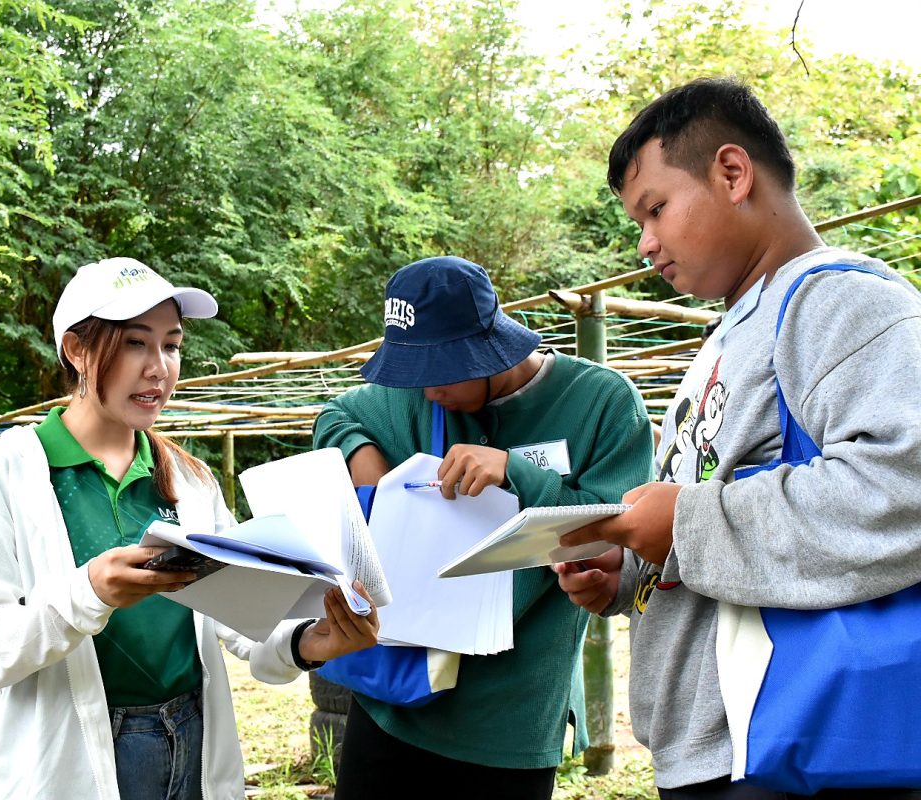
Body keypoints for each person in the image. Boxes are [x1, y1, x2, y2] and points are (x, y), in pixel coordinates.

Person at [555, 77, 921, 799]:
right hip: (716, 744)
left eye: (655, 208)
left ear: (731, 172)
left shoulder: (842, 301)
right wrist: (627, 567)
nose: (645, 241)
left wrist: (685, 525)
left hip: (798, 742)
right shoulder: (734, 332)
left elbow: (900, 485)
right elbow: (709, 517)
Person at [0, 257, 379, 800]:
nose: (159, 368)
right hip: (77, 759)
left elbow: (238, 622)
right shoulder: (9, 473)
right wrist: (86, 594)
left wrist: (311, 641)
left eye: (171, 345)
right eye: (135, 343)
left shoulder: (190, 481)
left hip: (191, 737)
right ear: (77, 350)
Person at [313, 255, 654, 798]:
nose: (427, 393)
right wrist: (364, 460)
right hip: (391, 705)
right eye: (414, 374)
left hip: (511, 720)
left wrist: (517, 474)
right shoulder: (410, 396)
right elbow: (336, 415)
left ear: (488, 347)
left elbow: (617, 534)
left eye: (440, 373)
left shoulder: (601, 403)